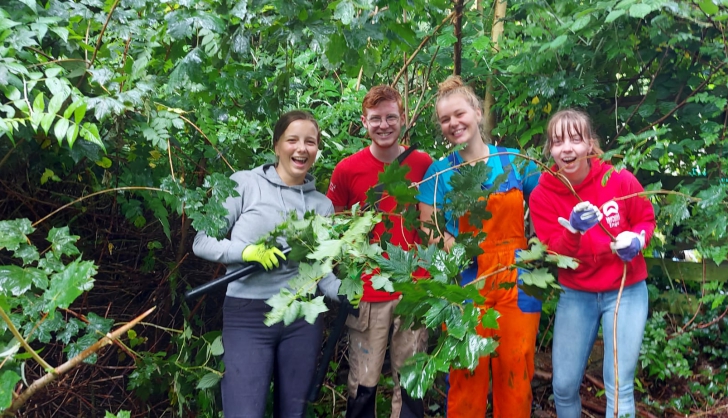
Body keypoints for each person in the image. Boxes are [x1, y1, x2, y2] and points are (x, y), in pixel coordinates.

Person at [192, 110, 340, 418]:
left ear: (316, 150)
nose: (301, 148)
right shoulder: (244, 184)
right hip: (248, 315)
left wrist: (353, 292)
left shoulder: (322, 206)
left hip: (302, 318)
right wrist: (247, 253)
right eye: (292, 140)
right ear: (276, 146)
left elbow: (321, 275)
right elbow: (202, 241)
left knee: (293, 414)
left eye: (310, 142)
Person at [417, 75, 542, 418]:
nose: (453, 124)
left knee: (516, 376)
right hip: (464, 284)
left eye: (459, 114)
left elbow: (548, 207)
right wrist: (454, 247)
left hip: (518, 282)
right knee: (465, 377)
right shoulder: (438, 174)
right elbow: (432, 231)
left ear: (476, 112)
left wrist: (541, 244)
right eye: (445, 120)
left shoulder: (516, 161)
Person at [529, 108, 656, 418]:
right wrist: (572, 230)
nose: (567, 148)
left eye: (575, 138)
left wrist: (637, 239)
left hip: (624, 290)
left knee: (619, 386)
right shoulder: (543, 194)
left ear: (590, 145)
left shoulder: (618, 178)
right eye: (558, 142)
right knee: (563, 385)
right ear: (551, 151)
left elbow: (645, 218)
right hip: (576, 292)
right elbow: (555, 252)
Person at [326, 85, 433, 418]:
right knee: (363, 379)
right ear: (364, 121)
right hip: (367, 290)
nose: (384, 125)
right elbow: (336, 229)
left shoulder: (423, 164)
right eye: (376, 119)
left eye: (391, 117)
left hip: (413, 285)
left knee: (412, 376)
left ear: (403, 118)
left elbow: (431, 227)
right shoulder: (347, 169)